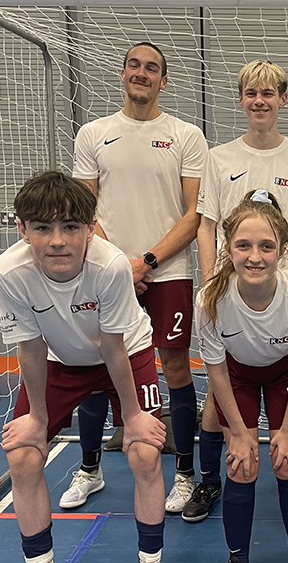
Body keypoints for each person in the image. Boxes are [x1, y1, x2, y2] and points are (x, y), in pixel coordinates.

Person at [0, 172, 174, 563]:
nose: (58, 241)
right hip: (57, 360)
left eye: (71, 227)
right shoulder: (9, 271)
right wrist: (36, 418)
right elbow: (29, 347)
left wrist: (132, 417)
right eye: (42, 228)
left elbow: (112, 348)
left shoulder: (110, 266)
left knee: (145, 454)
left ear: (90, 227)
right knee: (23, 457)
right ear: (21, 228)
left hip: (125, 353)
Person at [70, 42, 208, 517]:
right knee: (95, 366)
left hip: (168, 271)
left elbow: (195, 215)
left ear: (164, 81)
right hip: (104, 272)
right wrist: (116, 265)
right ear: (122, 73)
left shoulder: (186, 135)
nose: (142, 73)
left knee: (173, 369)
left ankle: (186, 474)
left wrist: (144, 262)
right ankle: (90, 469)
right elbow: (84, 211)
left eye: (152, 68)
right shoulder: (93, 133)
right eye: (134, 65)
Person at [196, 59, 288, 523]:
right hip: (234, 288)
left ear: (282, 100)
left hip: (283, 292)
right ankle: (211, 480)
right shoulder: (220, 157)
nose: (259, 101)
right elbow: (207, 225)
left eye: (268, 93)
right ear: (241, 100)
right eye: (251, 93)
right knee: (220, 393)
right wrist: (214, 283)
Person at [197, 190, 288, 563]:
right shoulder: (210, 301)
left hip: (286, 375)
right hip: (238, 377)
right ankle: (237, 562)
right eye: (244, 245)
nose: (255, 256)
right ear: (228, 248)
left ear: (283, 250)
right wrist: (237, 432)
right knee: (243, 464)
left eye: (266, 246)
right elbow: (215, 371)